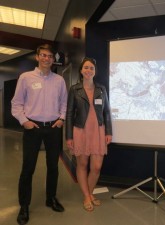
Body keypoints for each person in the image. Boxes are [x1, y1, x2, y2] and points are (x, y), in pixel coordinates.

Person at [11, 44, 68, 225]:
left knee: (53, 166)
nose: (46, 59)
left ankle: (50, 198)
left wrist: (62, 119)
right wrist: (24, 121)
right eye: (43, 55)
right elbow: (16, 103)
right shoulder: (26, 78)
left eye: (50, 56)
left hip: (53, 128)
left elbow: (64, 103)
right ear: (37, 57)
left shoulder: (59, 80)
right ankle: (24, 206)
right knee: (28, 168)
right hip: (32, 128)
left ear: (53, 59)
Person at [65, 57, 112, 212]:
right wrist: (69, 136)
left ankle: (89, 193)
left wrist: (108, 132)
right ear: (81, 70)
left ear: (95, 71)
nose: (88, 70)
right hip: (80, 130)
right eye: (86, 67)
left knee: (96, 167)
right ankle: (87, 196)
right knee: (82, 165)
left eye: (91, 68)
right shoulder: (74, 89)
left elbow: (106, 112)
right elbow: (70, 113)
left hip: (98, 131)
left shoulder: (101, 89)